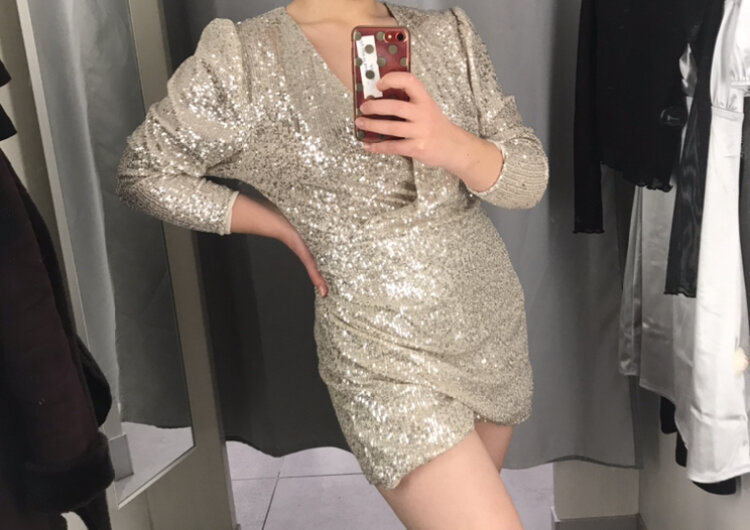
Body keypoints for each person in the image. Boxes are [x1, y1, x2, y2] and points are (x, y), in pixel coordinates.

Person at [116, 1, 549, 527]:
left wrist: (449, 143)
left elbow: (529, 180)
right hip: (379, 346)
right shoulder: (244, 58)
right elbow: (144, 172)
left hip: (488, 321)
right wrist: (278, 225)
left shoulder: (447, 34)